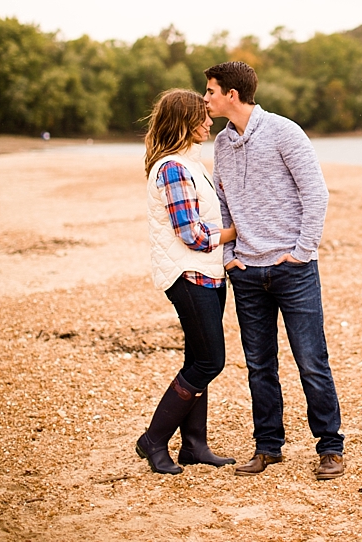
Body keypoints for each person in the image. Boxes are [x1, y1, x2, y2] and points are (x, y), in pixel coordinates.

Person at [203, 60, 345, 480]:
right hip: (246, 271)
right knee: (259, 364)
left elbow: (316, 192)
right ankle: (267, 447)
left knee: (311, 360)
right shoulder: (222, 144)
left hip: (292, 270)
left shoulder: (284, 131)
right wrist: (230, 257)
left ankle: (330, 448)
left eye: (211, 90)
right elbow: (224, 201)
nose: (205, 98)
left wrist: (302, 251)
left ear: (232, 94)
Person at [137, 88, 238, 474]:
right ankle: (154, 439)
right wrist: (235, 231)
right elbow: (192, 234)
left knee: (197, 358)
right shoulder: (173, 168)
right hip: (187, 274)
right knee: (210, 361)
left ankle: (194, 445)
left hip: (207, 274)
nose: (209, 121)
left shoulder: (190, 163)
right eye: (202, 117)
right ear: (185, 122)